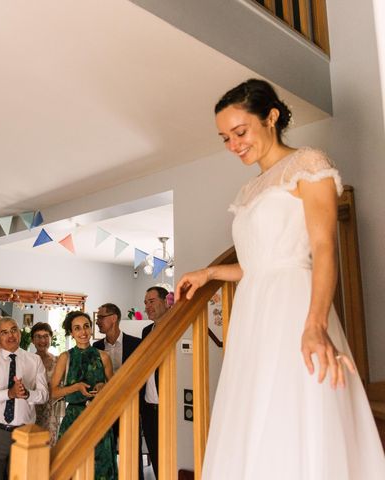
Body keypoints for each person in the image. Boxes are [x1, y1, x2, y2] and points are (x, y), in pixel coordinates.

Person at [175, 78, 385, 479]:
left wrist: (316, 323)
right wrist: (211, 272)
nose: (234, 145)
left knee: (298, 405)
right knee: (256, 414)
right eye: (225, 138)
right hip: (256, 309)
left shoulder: (309, 163)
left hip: (295, 306)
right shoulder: (250, 188)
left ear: (271, 117)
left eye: (240, 132)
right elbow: (260, 263)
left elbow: (323, 247)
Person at [0, 317, 48, 480]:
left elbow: (44, 395)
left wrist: (28, 394)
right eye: (4, 332)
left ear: (20, 332)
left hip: (24, 432)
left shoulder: (34, 360)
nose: (10, 335)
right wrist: (9, 393)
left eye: (13, 330)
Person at [52, 311, 117, 480]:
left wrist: (104, 387)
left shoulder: (103, 357)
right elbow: (53, 392)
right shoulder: (65, 358)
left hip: (99, 418)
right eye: (77, 328)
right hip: (74, 420)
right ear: (71, 333)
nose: (83, 332)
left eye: (86, 326)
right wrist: (75, 387)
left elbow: (115, 390)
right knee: (71, 468)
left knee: (100, 470)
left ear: (91, 329)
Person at [93, 303, 143, 480]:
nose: (97, 321)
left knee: (132, 452)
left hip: (130, 407)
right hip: (104, 408)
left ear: (113, 318)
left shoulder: (136, 344)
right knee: (105, 453)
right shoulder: (96, 346)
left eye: (101, 317)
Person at [140, 286, 170, 479]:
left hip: (169, 405)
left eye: (151, 301)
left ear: (165, 301)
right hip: (149, 407)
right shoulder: (146, 331)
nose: (147, 307)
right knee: (156, 456)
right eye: (145, 303)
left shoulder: (177, 325)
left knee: (171, 454)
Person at [31, 322, 63, 446]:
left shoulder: (58, 361)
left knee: (50, 449)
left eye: (45, 336)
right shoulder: (27, 361)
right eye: (38, 336)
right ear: (33, 340)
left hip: (52, 414)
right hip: (32, 412)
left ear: (51, 338)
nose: (42, 340)